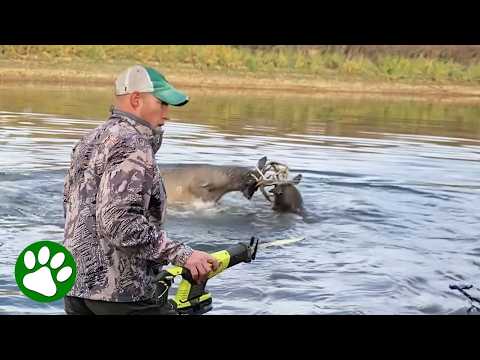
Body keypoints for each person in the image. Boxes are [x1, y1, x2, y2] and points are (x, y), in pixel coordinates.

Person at [63, 65, 218, 315]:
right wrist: (183, 255)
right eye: (162, 103)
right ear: (136, 99)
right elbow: (119, 222)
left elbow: (75, 212)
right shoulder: (133, 143)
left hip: (76, 290)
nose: (167, 114)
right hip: (123, 297)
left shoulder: (89, 139)